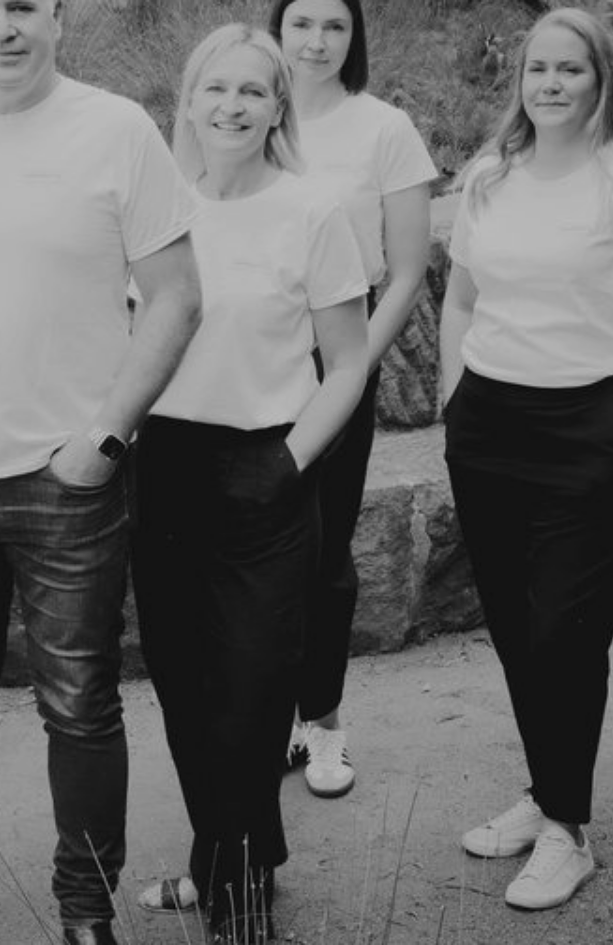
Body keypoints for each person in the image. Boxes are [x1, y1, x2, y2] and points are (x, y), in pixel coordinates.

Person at [0, 0, 204, 939]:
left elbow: (177, 296)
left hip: (65, 480)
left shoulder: (117, 130)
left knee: (80, 706)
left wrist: (106, 437)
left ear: (56, 17)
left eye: (23, 6)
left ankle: (85, 914)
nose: (2, 28)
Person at [439, 7, 613, 912]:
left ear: (602, 79)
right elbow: (460, 299)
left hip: (597, 417)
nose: (549, 84)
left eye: (569, 69)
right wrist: (453, 403)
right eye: (537, 69)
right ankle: (549, 792)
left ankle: (568, 832)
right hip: (491, 421)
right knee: (516, 628)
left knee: (565, 634)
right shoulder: (491, 173)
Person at [129, 24, 370, 944]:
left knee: (253, 691)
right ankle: (230, 859)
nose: (231, 106)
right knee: (186, 689)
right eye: (215, 89)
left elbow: (347, 363)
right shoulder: (153, 211)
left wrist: (288, 461)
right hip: (166, 468)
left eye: (252, 91)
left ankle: (235, 891)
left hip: (270, 468)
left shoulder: (310, 212)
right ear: (188, 101)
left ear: (277, 108)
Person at [267, 0, 438, 799]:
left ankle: (324, 721)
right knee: (256, 541)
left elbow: (406, 271)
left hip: (340, 346)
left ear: (354, 36)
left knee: (325, 545)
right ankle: (271, 717)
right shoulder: (250, 109)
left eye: (334, 25)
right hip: (249, 350)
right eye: (301, 22)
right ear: (276, 28)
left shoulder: (383, 129)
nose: (316, 40)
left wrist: (353, 366)